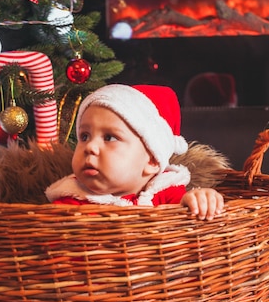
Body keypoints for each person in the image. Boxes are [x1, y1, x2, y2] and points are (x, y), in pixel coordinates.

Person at [46, 84, 224, 220]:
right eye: (84, 136)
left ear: (152, 161)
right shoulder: (70, 204)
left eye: (109, 138)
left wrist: (200, 198)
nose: (90, 147)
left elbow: (189, 226)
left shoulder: (166, 193)